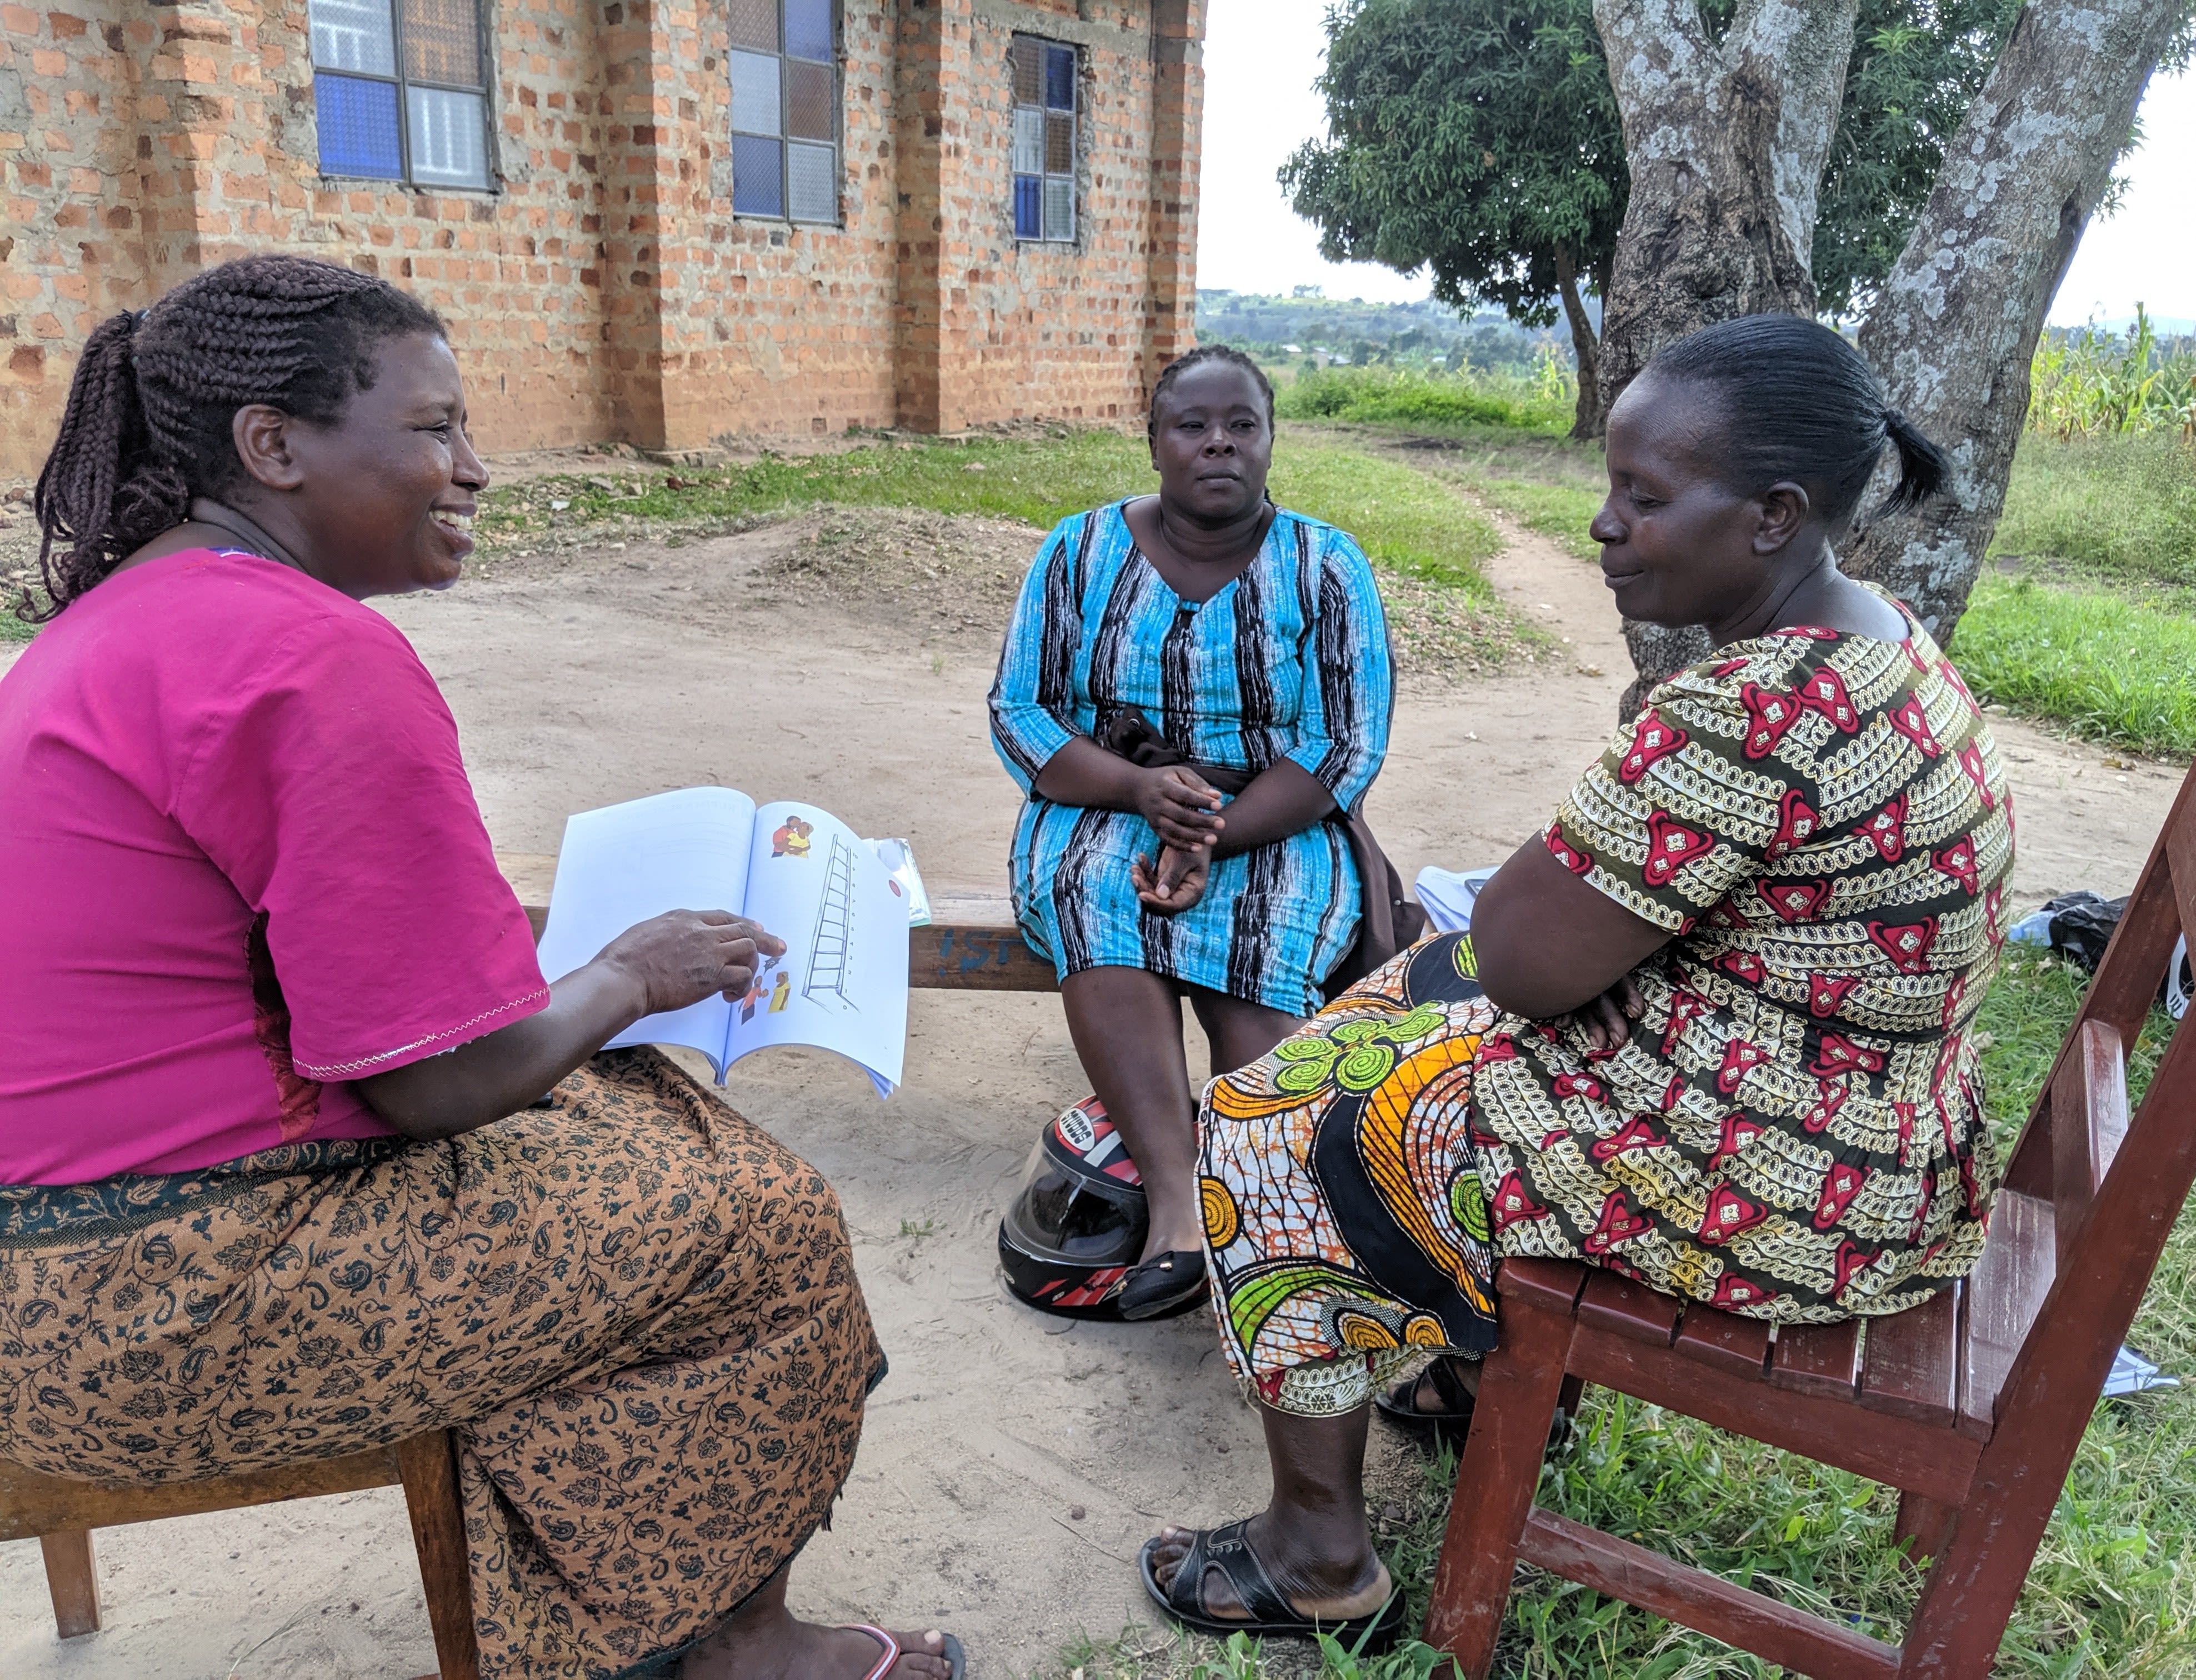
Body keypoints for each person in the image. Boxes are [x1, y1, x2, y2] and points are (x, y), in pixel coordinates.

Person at [0, 257, 959, 1680]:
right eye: (437, 429)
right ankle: (736, 1645)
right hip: (150, 1302)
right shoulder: (308, 654)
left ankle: (622, 1610)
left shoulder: (118, 621)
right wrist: (636, 967)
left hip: (63, 1247)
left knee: (627, 1128)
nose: (477, 469)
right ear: (274, 448)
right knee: (758, 1223)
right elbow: (442, 1087)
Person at [1142, 315, 2014, 1644]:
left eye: (1645, 498)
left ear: (1775, 515)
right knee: (1408, 994)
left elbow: (1536, 962)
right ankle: (1461, 1369)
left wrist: (1550, 861)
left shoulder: (1761, 709)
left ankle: (1317, 1553)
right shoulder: (1879, 634)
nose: (1604, 525)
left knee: (1271, 1124)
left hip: (1787, 1184)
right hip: (1882, 1134)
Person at [988, 346, 1397, 1320]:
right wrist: (1139, 794)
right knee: (1096, 894)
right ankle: (1179, 1207)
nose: (1219, 442)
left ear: (1269, 440)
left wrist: (1216, 829)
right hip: (1106, 797)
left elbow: (1346, 740)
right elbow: (1022, 710)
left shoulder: (1326, 564)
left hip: (1277, 808)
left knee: (1268, 926)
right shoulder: (1079, 550)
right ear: (1156, 442)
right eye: (1193, 426)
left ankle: (1266, 1207)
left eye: (1241, 425)